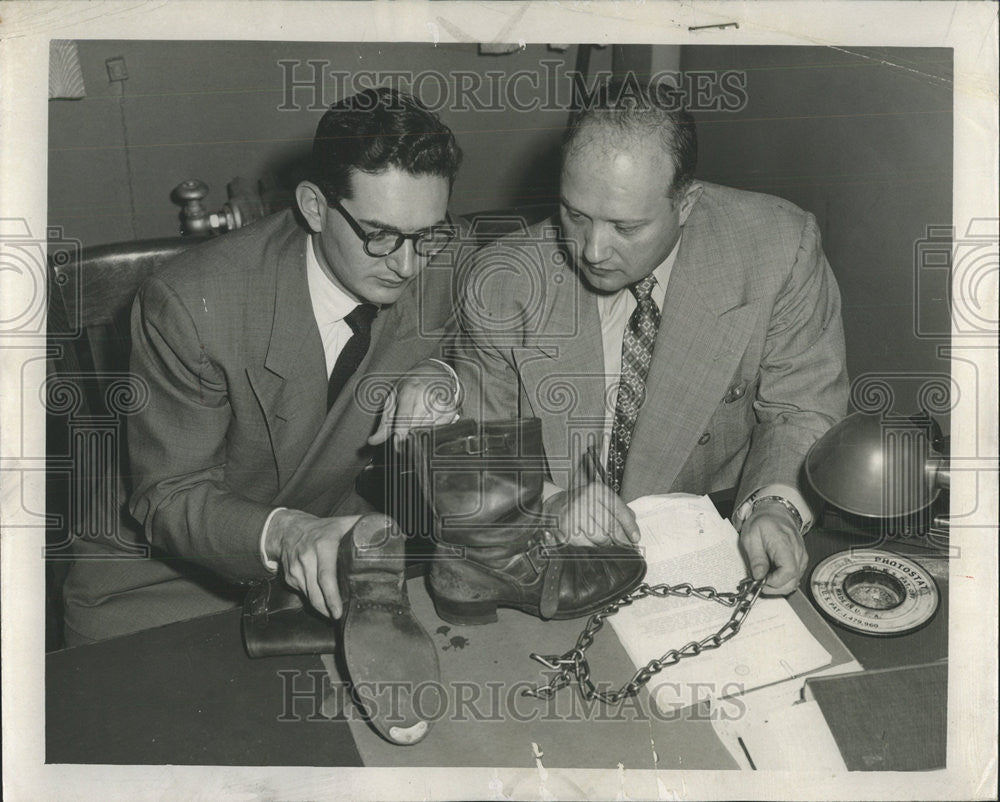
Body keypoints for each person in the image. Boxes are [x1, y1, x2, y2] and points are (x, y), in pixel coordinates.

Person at [61, 87, 464, 646]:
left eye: (427, 235)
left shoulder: (436, 257)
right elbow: (171, 495)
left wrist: (443, 376)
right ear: (315, 207)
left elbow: (497, 331)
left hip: (332, 569)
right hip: (163, 583)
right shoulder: (189, 308)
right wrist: (290, 535)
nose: (406, 263)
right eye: (378, 235)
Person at [435, 80, 849, 596]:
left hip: (710, 536)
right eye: (575, 215)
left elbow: (801, 406)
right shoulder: (505, 281)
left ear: (687, 203)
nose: (592, 250)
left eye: (626, 228)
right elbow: (473, 453)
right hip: (555, 556)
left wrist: (775, 506)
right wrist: (546, 501)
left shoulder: (780, 248)